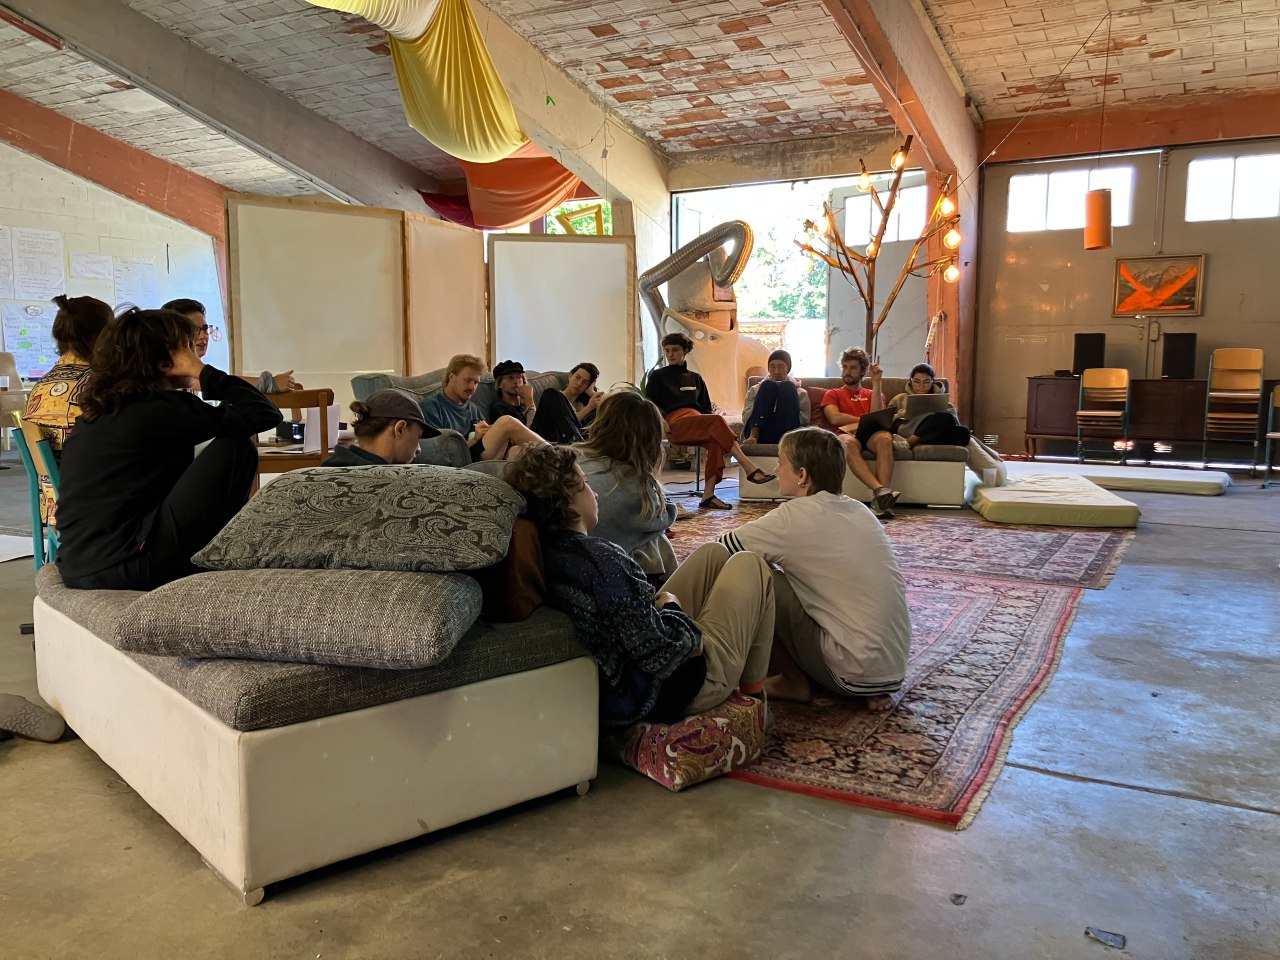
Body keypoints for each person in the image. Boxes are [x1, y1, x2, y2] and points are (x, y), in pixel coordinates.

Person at [505, 444, 775, 729]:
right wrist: (672, 609)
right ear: (568, 499)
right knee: (751, 564)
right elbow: (665, 653)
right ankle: (755, 699)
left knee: (714, 553)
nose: (595, 493)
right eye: (586, 484)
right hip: (664, 690)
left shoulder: (549, 550)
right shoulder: (602, 562)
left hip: (629, 668)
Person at [56, 307, 283, 591]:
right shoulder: (160, 408)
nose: (195, 353)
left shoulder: (104, 409)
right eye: (187, 347)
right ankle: (218, 555)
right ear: (165, 362)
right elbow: (264, 414)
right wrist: (202, 372)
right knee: (235, 447)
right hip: (128, 567)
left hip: (79, 565)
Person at [718, 427, 910, 710]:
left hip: (851, 670)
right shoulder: (861, 510)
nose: (776, 469)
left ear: (803, 475)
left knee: (755, 571)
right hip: (890, 671)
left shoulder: (792, 517)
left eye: (781, 463)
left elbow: (720, 552)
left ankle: (792, 681)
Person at [644, 332, 774, 511]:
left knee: (716, 443)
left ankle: (708, 495)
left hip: (698, 423)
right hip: (674, 425)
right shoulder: (658, 377)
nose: (670, 354)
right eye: (667, 351)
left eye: (675, 350)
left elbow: (706, 409)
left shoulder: (696, 378)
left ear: (685, 351)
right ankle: (748, 466)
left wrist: (702, 419)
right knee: (716, 421)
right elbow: (651, 407)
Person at [23, 295, 113, 524]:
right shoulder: (101, 385)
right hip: (94, 510)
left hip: (53, 507)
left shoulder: (40, 386)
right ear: (103, 336)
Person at [575, 390, 678, 578]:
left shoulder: (571, 457)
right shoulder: (639, 488)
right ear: (651, 440)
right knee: (654, 539)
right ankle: (667, 594)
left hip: (563, 566)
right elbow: (665, 516)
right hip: (605, 573)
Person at [850, 362, 971, 519]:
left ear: (932, 382)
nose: (921, 386)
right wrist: (904, 413)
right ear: (910, 381)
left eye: (926, 382)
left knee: (961, 431)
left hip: (929, 431)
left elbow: (953, 422)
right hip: (906, 429)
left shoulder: (943, 401)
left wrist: (934, 416)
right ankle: (913, 440)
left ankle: (912, 442)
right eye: (917, 381)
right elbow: (887, 421)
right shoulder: (900, 398)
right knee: (945, 422)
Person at [162, 298, 302, 394]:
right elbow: (218, 383)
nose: (203, 336)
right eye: (194, 330)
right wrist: (269, 383)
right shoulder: (170, 371)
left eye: (205, 329)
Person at [421, 354, 543, 462]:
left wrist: (490, 431)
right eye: (467, 380)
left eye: (476, 382)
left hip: (483, 452)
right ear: (452, 377)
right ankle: (552, 453)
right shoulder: (431, 407)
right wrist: (474, 440)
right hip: (466, 458)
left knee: (518, 452)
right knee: (507, 422)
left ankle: (550, 463)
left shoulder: (472, 408)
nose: (472, 387)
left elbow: (486, 437)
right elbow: (440, 453)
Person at [822, 346, 893, 517]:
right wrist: (863, 419)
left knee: (885, 438)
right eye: (845, 367)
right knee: (847, 442)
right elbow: (835, 418)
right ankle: (880, 491)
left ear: (863, 371)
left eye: (853, 368)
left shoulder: (873, 393)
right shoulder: (833, 393)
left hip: (870, 435)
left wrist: (877, 383)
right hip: (845, 434)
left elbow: (877, 417)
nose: (847, 371)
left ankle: (880, 502)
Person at [323, 388, 437, 466]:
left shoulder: (329, 467)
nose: (418, 449)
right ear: (399, 429)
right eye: (418, 436)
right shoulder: (393, 483)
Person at [742, 349, 808, 444]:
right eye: (772, 367)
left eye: (781, 367)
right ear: (768, 369)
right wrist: (762, 405)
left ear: (788, 369)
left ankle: (790, 440)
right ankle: (754, 435)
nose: (776, 371)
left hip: (786, 432)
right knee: (768, 385)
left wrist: (786, 405)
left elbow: (805, 419)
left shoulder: (800, 392)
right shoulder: (755, 390)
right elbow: (745, 417)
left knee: (787, 387)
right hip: (760, 431)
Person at [530, 362, 603, 444]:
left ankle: (581, 443)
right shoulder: (553, 398)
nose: (579, 383)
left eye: (585, 382)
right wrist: (589, 407)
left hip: (564, 443)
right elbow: (563, 421)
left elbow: (610, 410)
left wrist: (592, 393)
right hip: (545, 436)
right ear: (570, 376)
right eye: (577, 377)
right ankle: (578, 442)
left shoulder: (583, 404)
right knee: (550, 393)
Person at [489, 359, 537, 425]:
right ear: (500, 384)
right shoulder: (499, 408)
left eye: (519, 377)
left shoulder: (524, 406)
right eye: (510, 378)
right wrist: (529, 400)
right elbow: (530, 430)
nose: (516, 381)